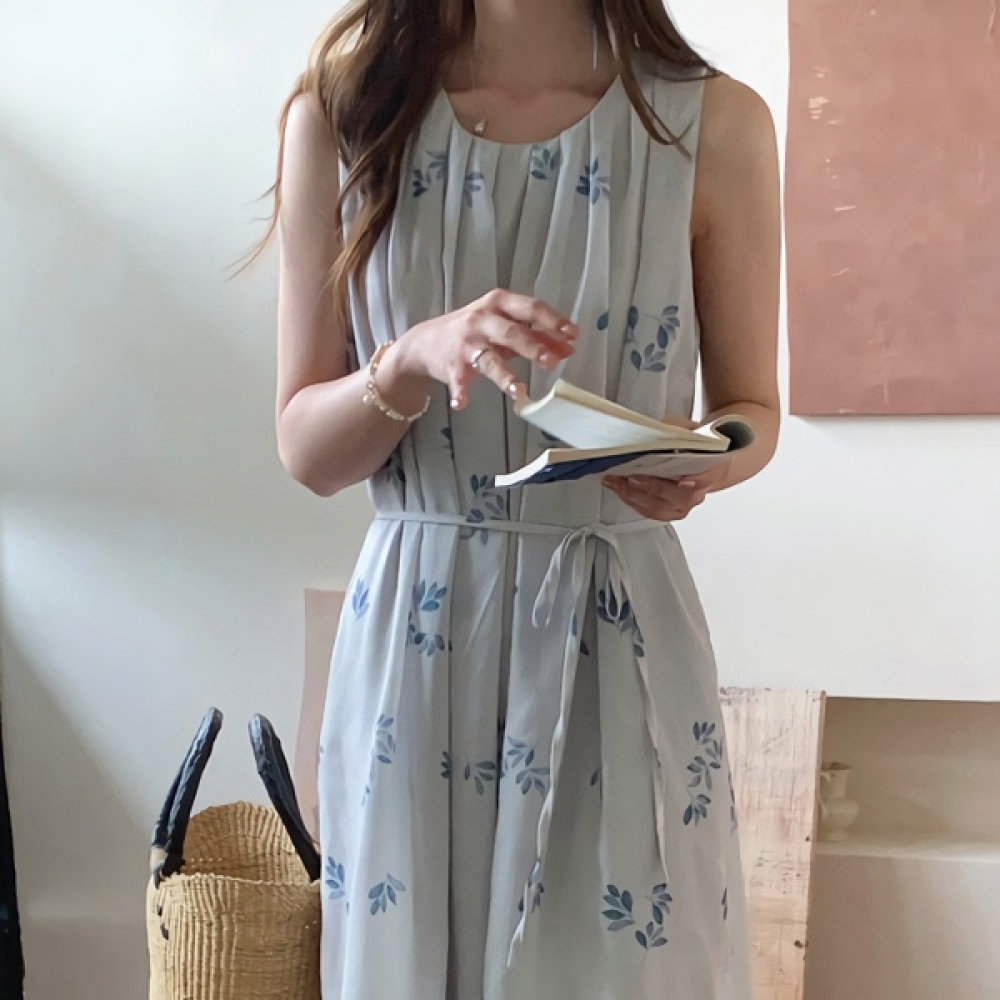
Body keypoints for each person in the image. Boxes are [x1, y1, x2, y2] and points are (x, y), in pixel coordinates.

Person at [267, 1, 780, 997]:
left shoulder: (713, 123)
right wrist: (408, 360)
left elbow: (751, 408)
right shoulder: (341, 115)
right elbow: (306, 449)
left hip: (614, 628)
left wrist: (704, 459)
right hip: (417, 646)